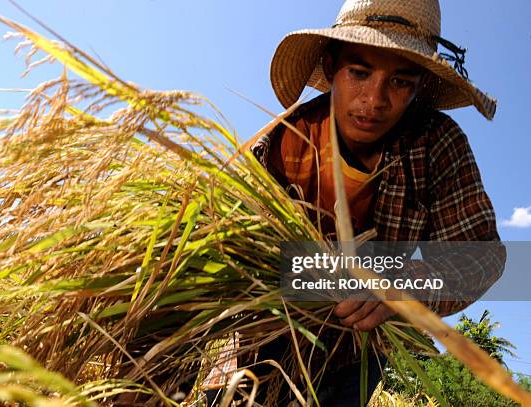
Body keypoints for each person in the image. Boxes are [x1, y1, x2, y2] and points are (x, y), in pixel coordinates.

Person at [204, 0, 506, 405]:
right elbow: (227, 248)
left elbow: (481, 255)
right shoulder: (285, 142)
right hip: (265, 342)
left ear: (418, 86)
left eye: (399, 82)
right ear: (331, 67)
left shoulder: (435, 144)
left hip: (358, 353)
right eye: (360, 73)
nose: (375, 99)